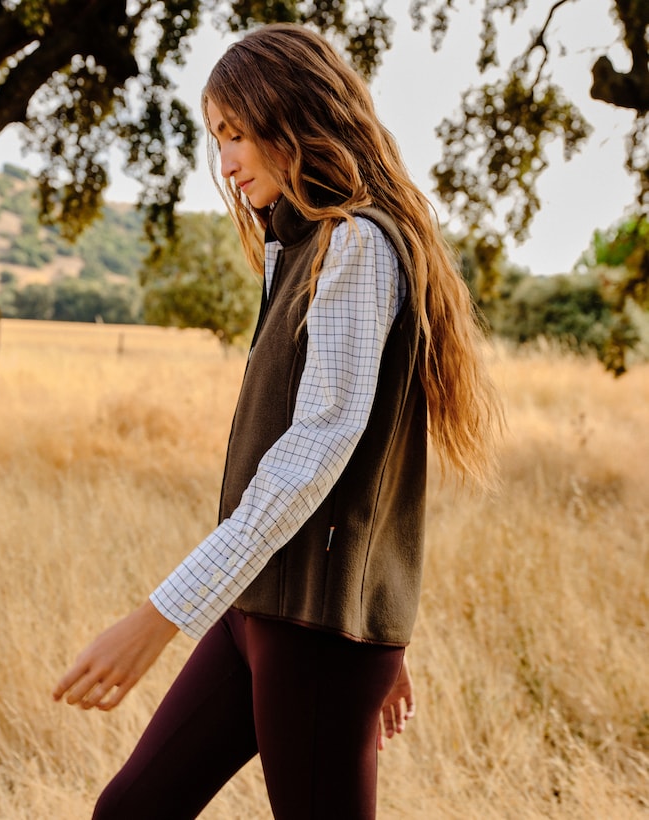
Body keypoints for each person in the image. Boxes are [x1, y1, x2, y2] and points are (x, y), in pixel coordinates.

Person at [53, 22, 501, 819]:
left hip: (312, 631)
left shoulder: (355, 244)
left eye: (237, 134)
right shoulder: (297, 245)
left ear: (293, 119)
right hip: (264, 608)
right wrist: (366, 614)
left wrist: (158, 618)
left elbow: (319, 447)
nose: (225, 163)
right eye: (217, 139)